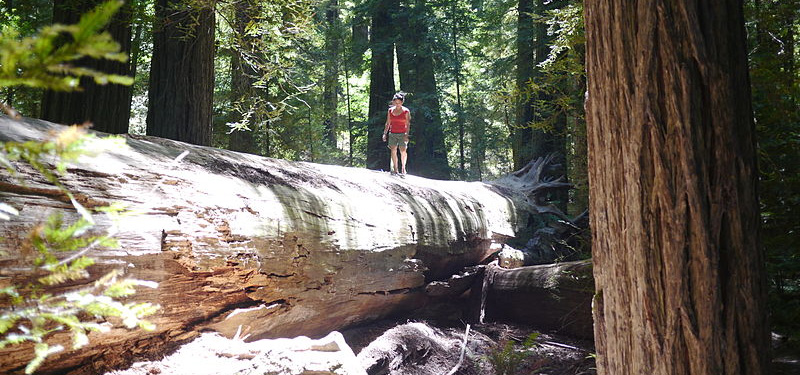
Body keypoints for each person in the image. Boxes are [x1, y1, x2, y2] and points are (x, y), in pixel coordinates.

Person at [382, 93, 410, 176]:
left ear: (402, 102)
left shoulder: (406, 111)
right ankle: (395, 169)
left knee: (403, 150)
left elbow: (408, 124)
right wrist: (385, 133)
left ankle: (403, 168)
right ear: (393, 102)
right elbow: (388, 123)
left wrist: (406, 135)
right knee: (393, 150)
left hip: (402, 133)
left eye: (399, 103)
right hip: (392, 133)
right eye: (396, 102)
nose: (397, 104)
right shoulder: (390, 111)